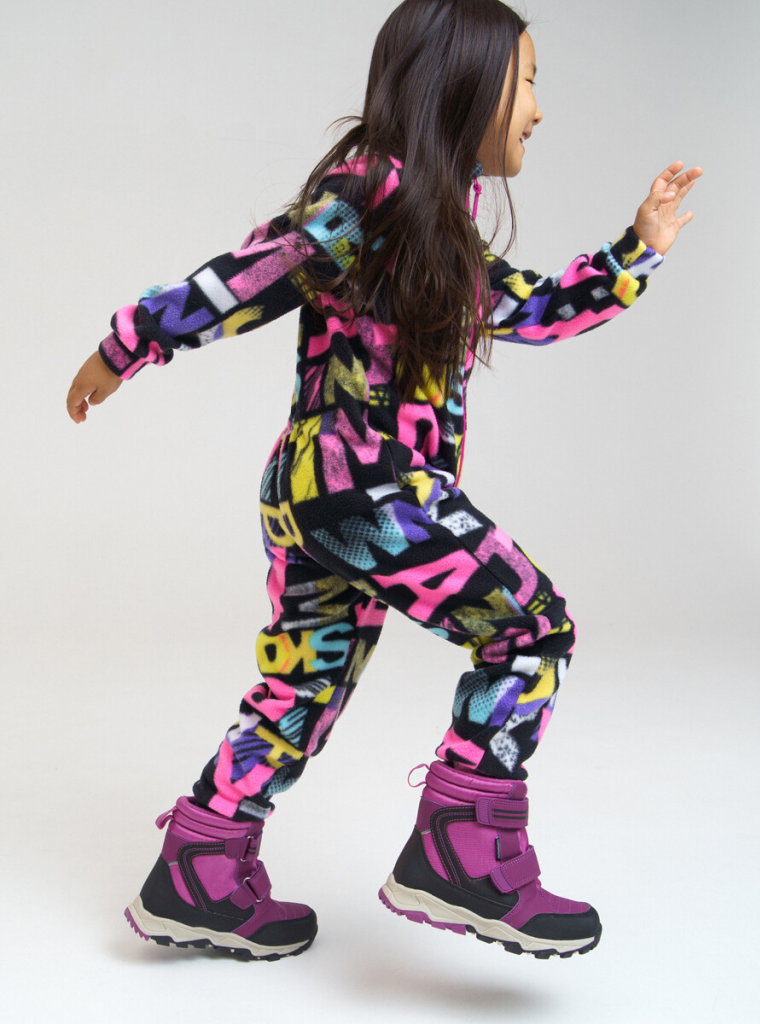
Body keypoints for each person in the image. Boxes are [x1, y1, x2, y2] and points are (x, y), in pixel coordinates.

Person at [67, 0, 701, 963]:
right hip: (369, 488)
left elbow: (527, 310)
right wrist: (129, 344)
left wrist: (636, 251)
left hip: (322, 493)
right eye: (528, 82)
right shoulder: (374, 191)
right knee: (532, 631)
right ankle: (463, 850)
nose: (539, 109)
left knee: (301, 687)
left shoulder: (435, 219)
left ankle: (199, 873)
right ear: (463, 80)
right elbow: (261, 270)